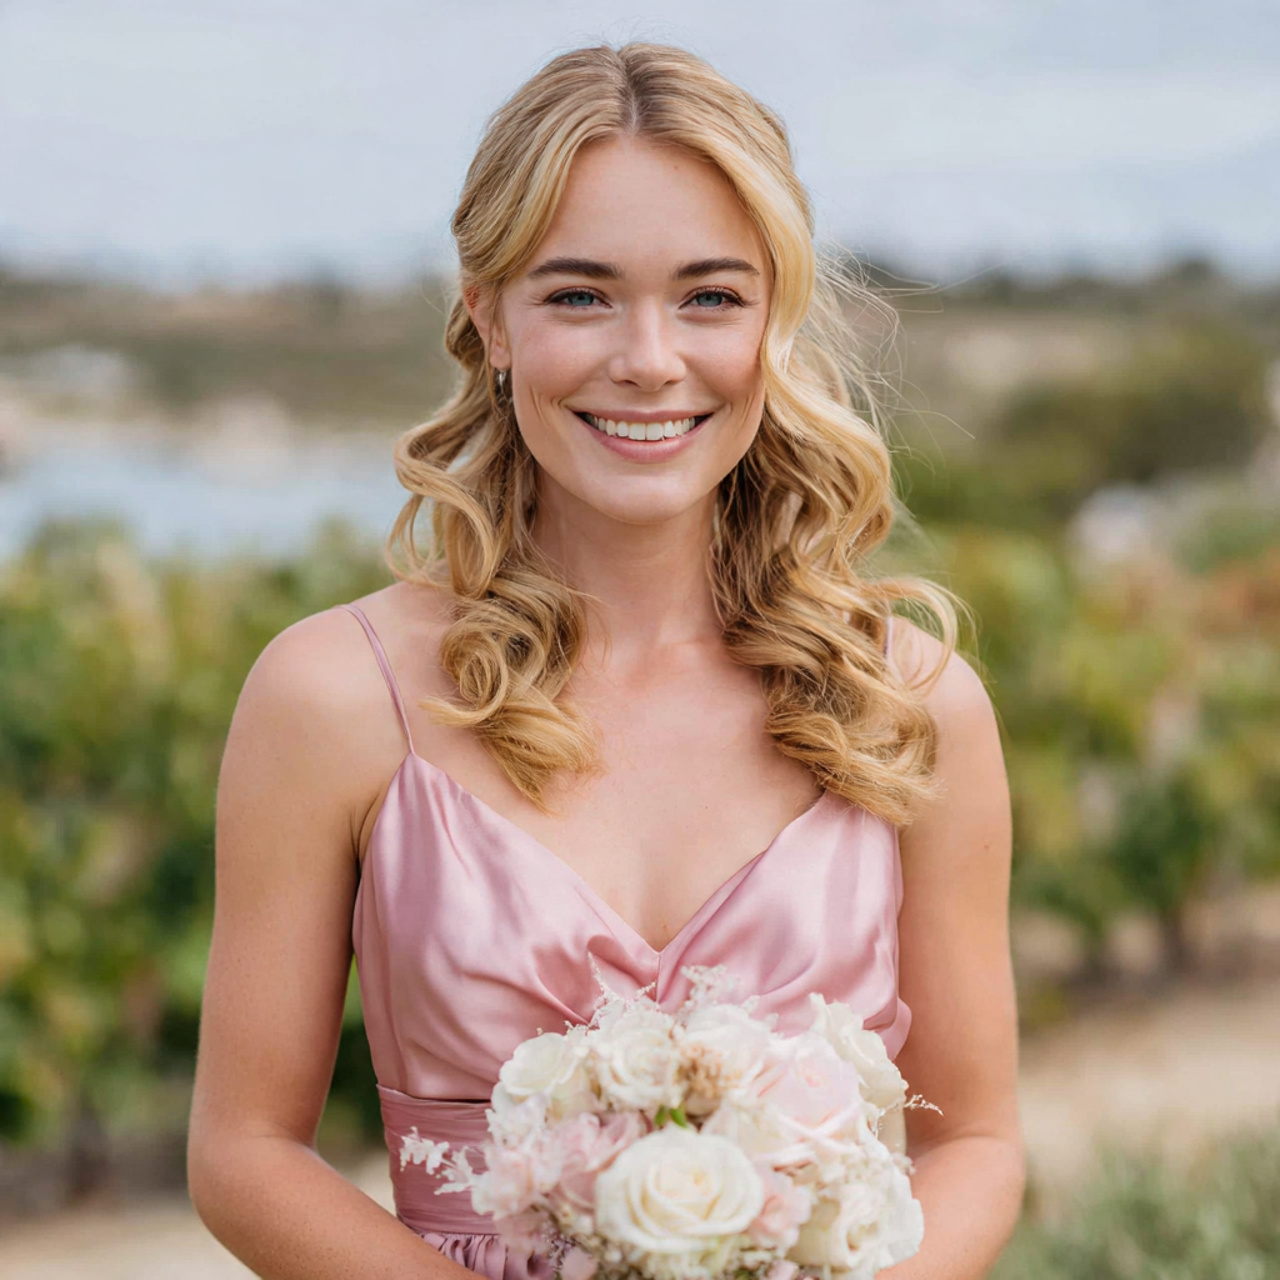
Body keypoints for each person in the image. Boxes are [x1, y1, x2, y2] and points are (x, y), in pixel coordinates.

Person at [187, 41, 1024, 1280]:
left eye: (709, 296)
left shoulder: (905, 705)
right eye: (579, 294)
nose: (648, 356)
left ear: (772, 319)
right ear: (489, 314)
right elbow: (245, 1149)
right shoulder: (331, 696)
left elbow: (980, 1137)